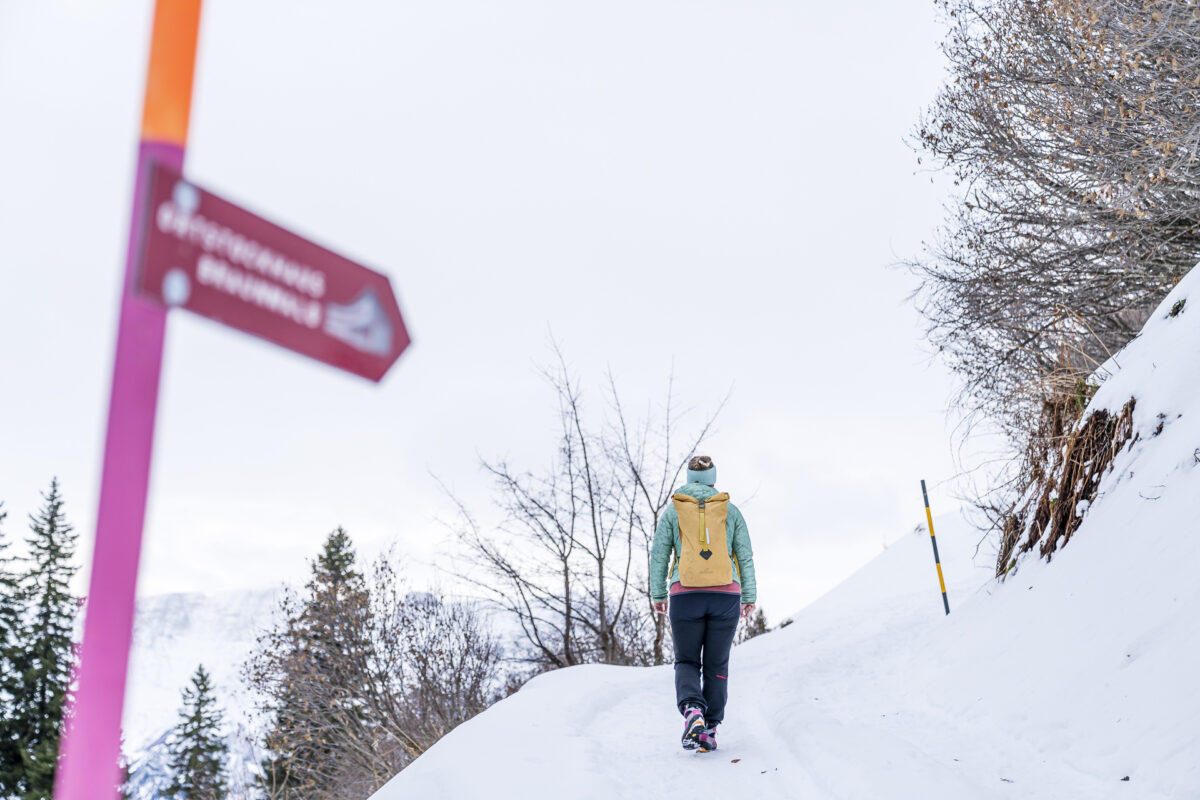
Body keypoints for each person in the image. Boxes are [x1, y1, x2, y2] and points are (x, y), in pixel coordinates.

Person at [650, 455, 757, 751]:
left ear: (688, 478)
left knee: (686, 660)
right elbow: (744, 555)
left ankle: (692, 711)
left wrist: (658, 594)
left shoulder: (673, 512)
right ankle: (709, 728)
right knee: (716, 663)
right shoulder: (730, 511)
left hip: (685, 595)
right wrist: (748, 595)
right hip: (726, 594)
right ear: (713, 479)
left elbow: (659, 555)